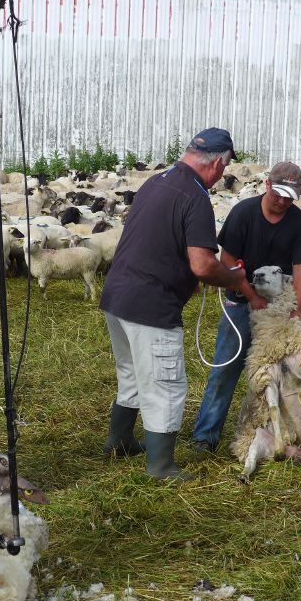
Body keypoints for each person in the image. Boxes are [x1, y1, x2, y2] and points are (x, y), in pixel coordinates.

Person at [99, 128, 251, 480]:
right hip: (152, 305)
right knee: (165, 384)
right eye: (225, 168)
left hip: (118, 296)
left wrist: (186, 275)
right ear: (217, 162)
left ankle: (119, 441)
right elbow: (202, 263)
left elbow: (156, 239)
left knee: (133, 374)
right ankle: (162, 466)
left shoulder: (157, 182)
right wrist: (233, 277)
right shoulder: (195, 196)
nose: (223, 175)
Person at [190, 161, 301, 452]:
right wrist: (251, 295)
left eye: (289, 197)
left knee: (289, 368)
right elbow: (227, 260)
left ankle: (286, 435)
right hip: (241, 299)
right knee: (226, 366)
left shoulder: (299, 223)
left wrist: (297, 308)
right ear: (267, 185)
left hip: (280, 306)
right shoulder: (243, 214)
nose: (282, 202)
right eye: (278, 194)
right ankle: (205, 436)